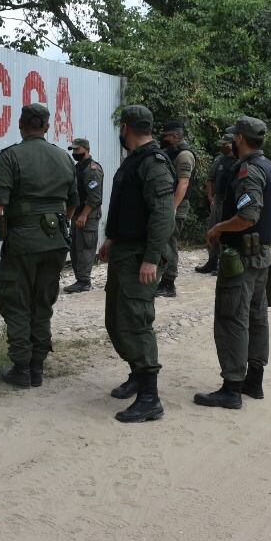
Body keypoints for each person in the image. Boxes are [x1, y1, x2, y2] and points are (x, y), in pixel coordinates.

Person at [0, 103, 78, 389]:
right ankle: (37, 366)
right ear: (47, 127)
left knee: (17, 301)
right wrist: (60, 225)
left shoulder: (11, 157)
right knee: (43, 301)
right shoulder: (64, 158)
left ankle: (21, 367)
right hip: (56, 242)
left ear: (20, 124)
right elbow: (73, 203)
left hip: (22, 241)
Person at [194, 116, 271, 409]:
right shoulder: (270, 167)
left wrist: (218, 228)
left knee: (232, 319)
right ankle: (253, 382)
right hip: (259, 256)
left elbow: (248, 215)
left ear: (240, 139)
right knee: (256, 318)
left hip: (241, 258)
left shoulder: (248, 171)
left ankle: (232, 387)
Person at [98, 106, 176, 422]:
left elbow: (162, 215)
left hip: (139, 257)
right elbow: (128, 208)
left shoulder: (154, 163)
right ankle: (136, 374)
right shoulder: (134, 160)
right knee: (116, 321)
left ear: (126, 127)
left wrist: (151, 259)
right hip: (124, 252)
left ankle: (150, 397)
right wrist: (112, 238)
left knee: (136, 322)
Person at [155, 120, 196, 298]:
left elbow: (183, 183)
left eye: (166, 136)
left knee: (170, 242)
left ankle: (168, 283)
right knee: (164, 242)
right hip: (168, 205)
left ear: (175, 136)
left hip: (176, 206)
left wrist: (172, 208)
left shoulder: (184, 155)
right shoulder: (171, 153)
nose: (163, 138)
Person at [63, 137, 104, 294]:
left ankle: (84, 281)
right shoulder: (79, 167)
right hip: (78, 214)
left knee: (86, 247)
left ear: (86, 150)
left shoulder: (92, 170)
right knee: (75, 248)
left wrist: (84, 215)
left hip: (88, 215)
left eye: (77, 150)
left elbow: (94, 197)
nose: (75, 153)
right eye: (73, 150)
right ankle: (80, 279)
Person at [194, 130, 236, 275]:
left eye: (226, 144)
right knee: (212, 230)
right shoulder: (219, 160)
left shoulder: (240, 160)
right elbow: (210, 179)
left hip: (231, 202)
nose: (223, 146)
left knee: (226, 232)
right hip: (218, 200)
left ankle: (224, 263)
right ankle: (212, 261)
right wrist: (210, 196)